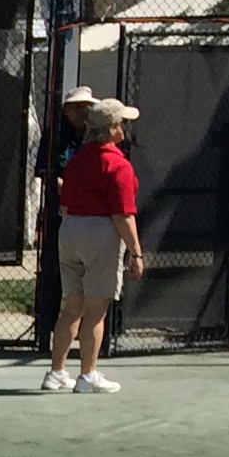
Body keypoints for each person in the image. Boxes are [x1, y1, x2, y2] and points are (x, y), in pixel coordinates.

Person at [43, 96, 141, 394]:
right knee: (96, 310)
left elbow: (68, 200)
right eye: (121, 122)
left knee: (72, 307)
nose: (125, 126)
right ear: (111, 128)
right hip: (100, 232)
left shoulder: (76, 162)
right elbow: (123, 214)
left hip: (70, 230)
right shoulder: (118, 165)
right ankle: (88, 375)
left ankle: (56, 373)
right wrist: (136, 252)